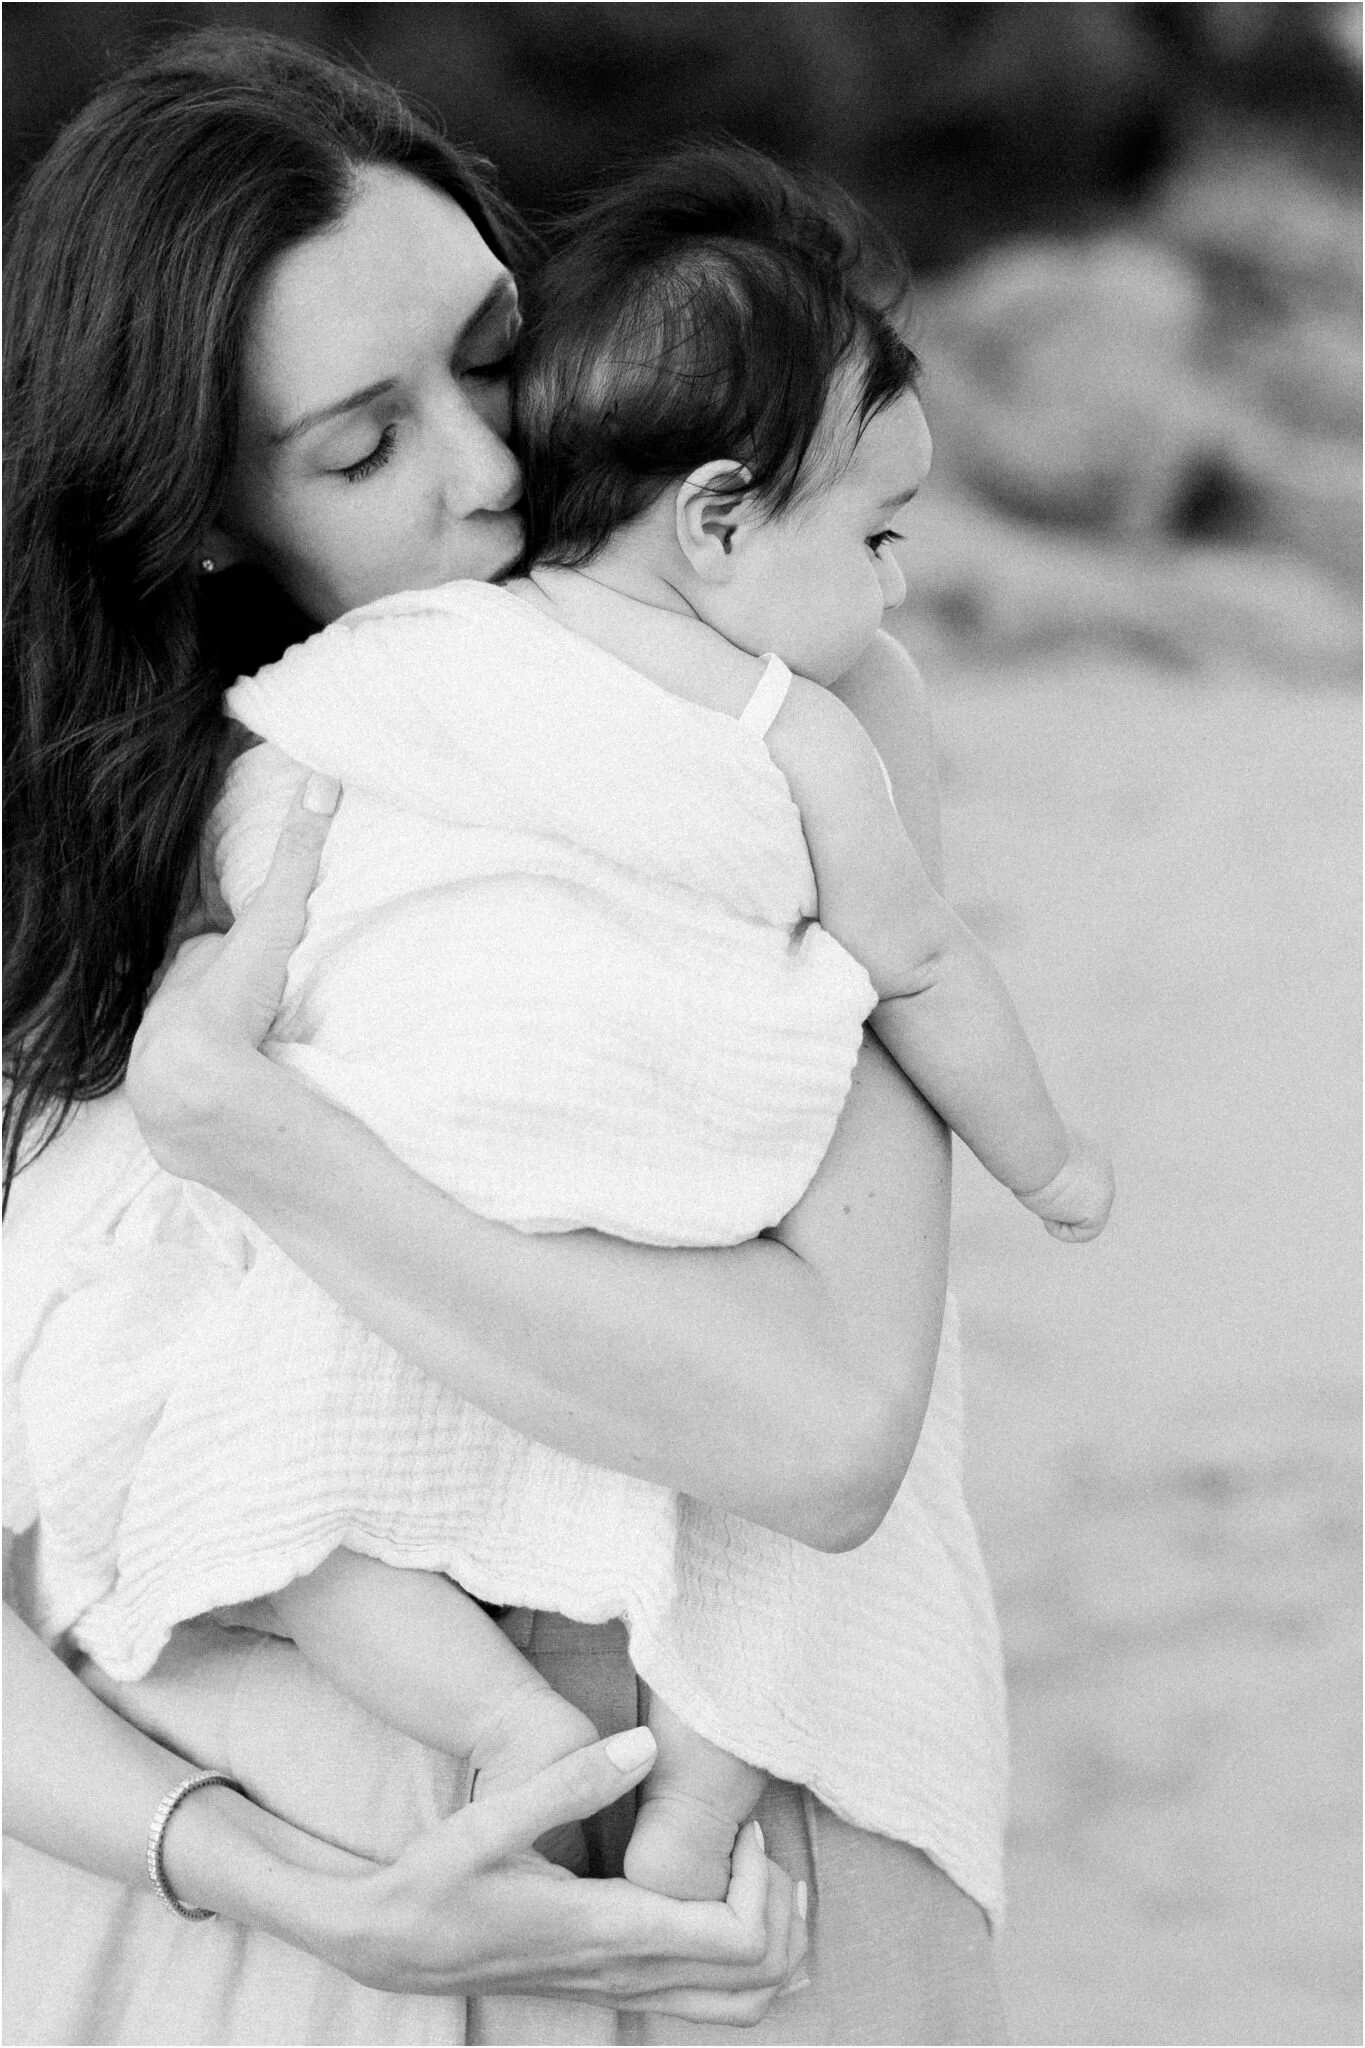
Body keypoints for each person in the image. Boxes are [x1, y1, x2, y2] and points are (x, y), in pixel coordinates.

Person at [4, 29, 1007, 2045]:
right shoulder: (70, 862)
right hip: (223, 1904)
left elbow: (823, 1431)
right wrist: (300, 1884)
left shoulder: (784, 719)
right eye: (359, 449)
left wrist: (249, 1126)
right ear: (199, 516)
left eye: (493, 350)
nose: (488, 471)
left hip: (728, 1888)